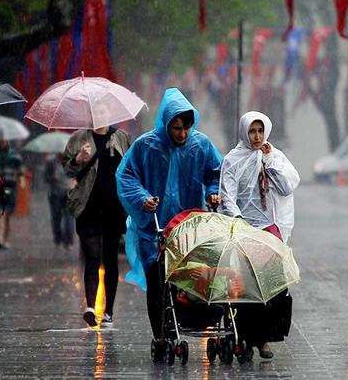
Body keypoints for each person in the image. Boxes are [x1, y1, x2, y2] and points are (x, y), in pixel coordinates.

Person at [115, 87, 222, 346]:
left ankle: (186, 322)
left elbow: (216, 174)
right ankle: (162, 335)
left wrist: (212, 193)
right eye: (176, 128)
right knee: (157, 283)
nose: (182, 134)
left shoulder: (201, 145)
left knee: (191, 281)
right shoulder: (146, 146)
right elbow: (126, 176)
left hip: (189, 228)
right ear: (166, 123)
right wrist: (143, 198)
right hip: (155, 230)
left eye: (186, 128)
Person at [219, 111, 300, 359]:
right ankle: (245, 336)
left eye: (260, 131)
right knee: (246, 288)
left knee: (272, 287)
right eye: (252, 131)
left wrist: (270, 161)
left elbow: (287, 186)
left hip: (270, 230)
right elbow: (227, 195)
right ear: (245, 132)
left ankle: (265, 339)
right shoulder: (233, 160)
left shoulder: (273, 155)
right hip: (244, 231)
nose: (256, 136)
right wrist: (239, 221)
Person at [62, 121, 131, 327]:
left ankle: (108, 311)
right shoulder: (78, 138)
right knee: (92, 257)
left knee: (110, 259)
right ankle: (91, 307)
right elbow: (67, 171)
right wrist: (78, 159)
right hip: (87, 207)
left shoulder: (121, 137)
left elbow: (131, 168)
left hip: (113, 208)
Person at [0, 139, 24, 250]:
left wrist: (21, 181)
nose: (1, 142)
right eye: (0, 140)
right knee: (1, 214)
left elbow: (20, 172)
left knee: (8, 216)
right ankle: (0, 239)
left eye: (3, 140)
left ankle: (5, 240)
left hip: (11, 189)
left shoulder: (15, 156)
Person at [44, 152, 74, 249]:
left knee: (69, 218)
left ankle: (68, 241)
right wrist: (52, 177)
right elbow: (45, 178)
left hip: (69, 193)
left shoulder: (73, 161)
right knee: (56, 218)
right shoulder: (51, 162)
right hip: (55, 194)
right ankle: (58, 239)